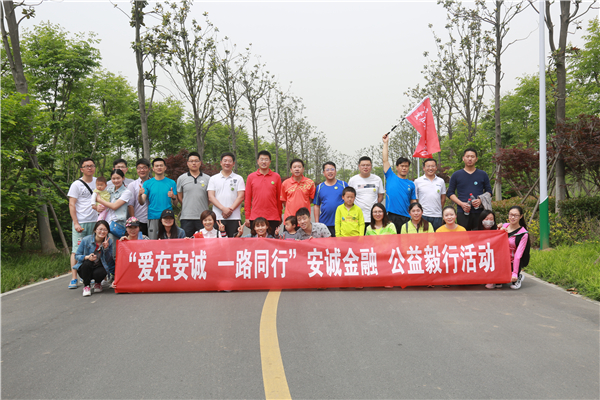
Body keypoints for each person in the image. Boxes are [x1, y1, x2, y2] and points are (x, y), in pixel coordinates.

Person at [67, 158, 98, 289]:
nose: (89, 168)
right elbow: (72, 204)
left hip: (96, 221)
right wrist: (75, 223)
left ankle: (89, 275)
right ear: (81, 169)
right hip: (81, 222)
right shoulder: (76, 185)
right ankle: (74, 277)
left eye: (92, 165)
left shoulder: (98, 182)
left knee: (95, 248)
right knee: (76, 250)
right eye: (86, 166)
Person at [447, 148, 492, 231]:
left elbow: (489, 192)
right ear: (463, 158)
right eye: (467, 156)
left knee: (479, 235)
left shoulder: (483, 174)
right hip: (462, 211)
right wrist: (461, 204)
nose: (470, 159)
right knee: (463, 235)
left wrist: (480, 200)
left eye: (472, 156)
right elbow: (450, 193)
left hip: (479, 212)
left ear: (476, 159)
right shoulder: (456, 175)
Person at [382, 134, 417, 232]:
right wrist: (386, 143)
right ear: (397, 167)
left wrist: (416, 213)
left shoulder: (411, 184)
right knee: (392, 240)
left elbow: (413, 201)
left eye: (406, 166)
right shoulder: (390, 176)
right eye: (402, 166)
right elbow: (385, 160)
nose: (404, 168)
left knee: (405, 240)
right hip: (391, 216)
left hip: (406, 217)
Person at [94, 169, 134, 253]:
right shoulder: (109, 190)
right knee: (103, 249)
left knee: (113, 250)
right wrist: (96, 207)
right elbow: (96, 197)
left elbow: (114, 206)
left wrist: (100, 200)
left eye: (118, 178)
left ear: (123, 178)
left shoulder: (126, 192)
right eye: (113, 178)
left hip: (116, 224)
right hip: (105, 223)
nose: (116, 181)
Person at [245, 150, 283, 236]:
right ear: (258, 161)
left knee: (272, 241)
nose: (264, 162)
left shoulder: (276, 177)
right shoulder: (251, 177)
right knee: (256, 242)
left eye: (266, 159)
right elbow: (247, 198)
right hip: (255, 217)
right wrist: (247, 216)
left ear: (270, 162)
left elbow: (279, 198)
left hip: (272, 217)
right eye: (261, 159)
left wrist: (279, 215)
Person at [207, 152, 245, 238]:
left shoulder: (238, 178)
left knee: (234, 241)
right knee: (217, 242)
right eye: (225, 161)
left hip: (234, 217)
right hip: (217, 217)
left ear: (233, 163)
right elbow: (211, 197)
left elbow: (241, 196)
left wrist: (230, 210)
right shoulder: (213, 178)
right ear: (221, 162)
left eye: (230, 161)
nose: (227, 163)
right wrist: (223, 209)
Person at [139, 158, 178, 240]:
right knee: (153, 242)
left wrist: (173, 197)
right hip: (153, 216)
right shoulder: (147, 183)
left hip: (168, 216)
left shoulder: (171, 182)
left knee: (169, 242)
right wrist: (139, 195)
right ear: (153, 168)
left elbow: (176, 203)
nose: (159, 167)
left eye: (161, 165)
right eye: (156, 166)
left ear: (165, 168)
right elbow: (142, 201)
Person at [73, 220, 114, 297]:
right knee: (87, 263)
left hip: (98, 267)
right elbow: (77, 255)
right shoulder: (86, 240)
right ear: (95, 230)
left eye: (105, 230)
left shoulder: (109, 241)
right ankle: (87, 286)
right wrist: (87, 257)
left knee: (104, 269)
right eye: (100, 229)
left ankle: (98, 283)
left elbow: (109, 259)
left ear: (108, 231)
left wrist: (106, 249)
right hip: (85, 268)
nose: (102, 232)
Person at [177, 151, 211, 237]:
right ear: (187, 163)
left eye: (196, 161)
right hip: (186, 218)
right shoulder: (181, 178)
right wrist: (187, 204)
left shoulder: (208, 179)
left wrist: (203, 204)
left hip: (203, 218)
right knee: (186, 242)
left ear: (200, 163)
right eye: (191, 161)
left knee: (203, 242)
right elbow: (180, 196)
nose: (194, 163)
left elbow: (210, 197)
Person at [496, 206, 530, 290]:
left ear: (521, 216)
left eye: (516, 215)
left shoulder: (523, 234)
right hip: (501, 260)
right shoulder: (503, 226)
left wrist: (514, 273)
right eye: (511, 214)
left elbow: (518, 255)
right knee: (497, 283)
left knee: (513, 282)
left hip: (513, 260)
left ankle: (518, 276)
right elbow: (495, 243)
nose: (512, 217)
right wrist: (498, 230)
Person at [348, 156, 385, 232]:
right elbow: (349, 197)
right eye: (363, 165)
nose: (365, 167)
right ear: (359, 166)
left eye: (368, 165)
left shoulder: (377, 179)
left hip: (374, 217)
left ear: (371, 166)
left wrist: (374, 207)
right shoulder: (353, 180)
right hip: (357, 217)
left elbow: (380, 196)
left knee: (374, 238)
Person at [313, 161, 347, 237]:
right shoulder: (319, 187)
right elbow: (316, 205)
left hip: (342, 222)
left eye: (332, 169)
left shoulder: (343, 185)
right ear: (324, 173)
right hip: (325, 223)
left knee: (341, 243)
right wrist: (317, 223)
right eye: (327, 170)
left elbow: (349, 202)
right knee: (326, 244)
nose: (330, 171)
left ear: (336, 171)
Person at [414, 158, 447, 231]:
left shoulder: (441, 181)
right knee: (423, 236)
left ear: (436, 168)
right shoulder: (418, 181)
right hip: (423, 215)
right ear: (424, 168)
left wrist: (438, 209)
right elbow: (415, 199)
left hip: (437, 215)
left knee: (437, 236)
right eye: (428, 166)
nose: (430, 168)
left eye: (433, 166)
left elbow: (443, 198)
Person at [281, 158, 315, 223]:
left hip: (304, 219)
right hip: (290, 219)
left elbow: (311, 199)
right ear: (291, 170)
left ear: (303, 169)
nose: (297, 169)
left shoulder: (310, 183)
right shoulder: (285, 183)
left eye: (299, 167)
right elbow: (284, 201)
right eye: (294, 167)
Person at [127, 158, 151, 236]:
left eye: (144, 167)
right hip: (139, 220)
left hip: (153, 219)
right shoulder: (132, 185)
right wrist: (134, 221)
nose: (142, 170)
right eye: (139, 168)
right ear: (137, 170)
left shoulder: (153, 183)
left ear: (149, 169)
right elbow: (130, 204)